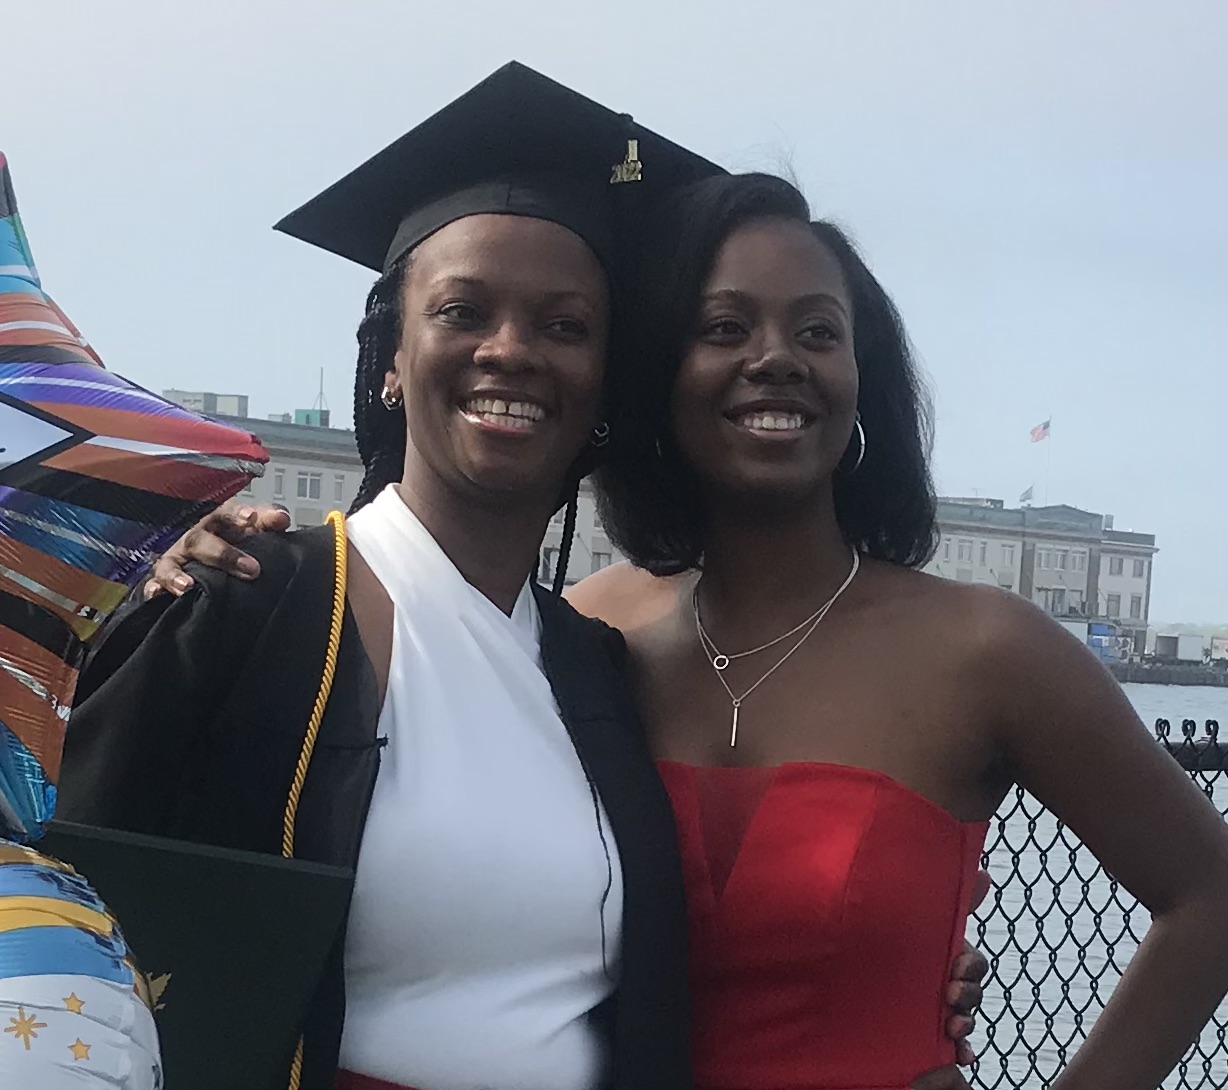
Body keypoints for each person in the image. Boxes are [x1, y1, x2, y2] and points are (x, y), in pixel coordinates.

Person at [60, 62, 724, 1090]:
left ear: (600, 382)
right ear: (389, 357)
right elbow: (62, 909)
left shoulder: (599, 667)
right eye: (462, 311)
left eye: (564, 326)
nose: (511, 351)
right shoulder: (244, 597)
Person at [568, 173, 1228, 1089]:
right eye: (725, 327)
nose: (776, 358)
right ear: (660, 377)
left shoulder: (985, 652)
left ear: (862, 382)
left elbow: (1211, 894)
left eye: (817, 332)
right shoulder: (583, 636)